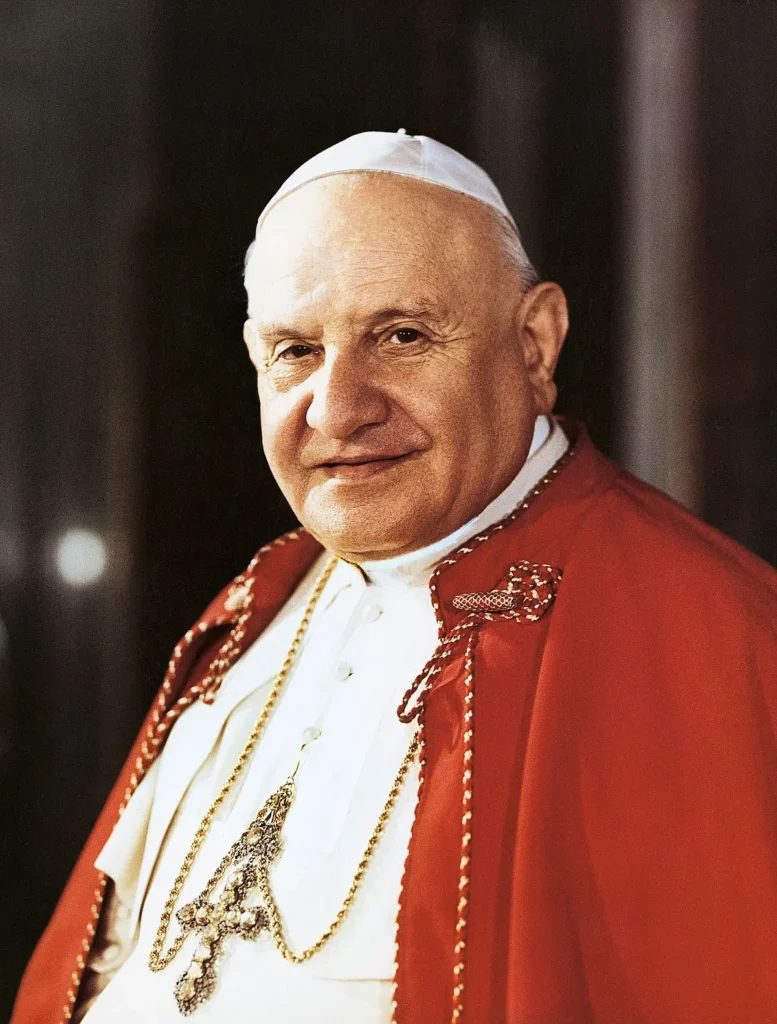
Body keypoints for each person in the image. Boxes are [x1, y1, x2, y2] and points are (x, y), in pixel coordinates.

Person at [12, 131, 777, 1024]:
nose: (338, 410)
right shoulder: (259, 604)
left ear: (534, 345)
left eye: (402, 336)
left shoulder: (708, 637)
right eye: (295, 351)